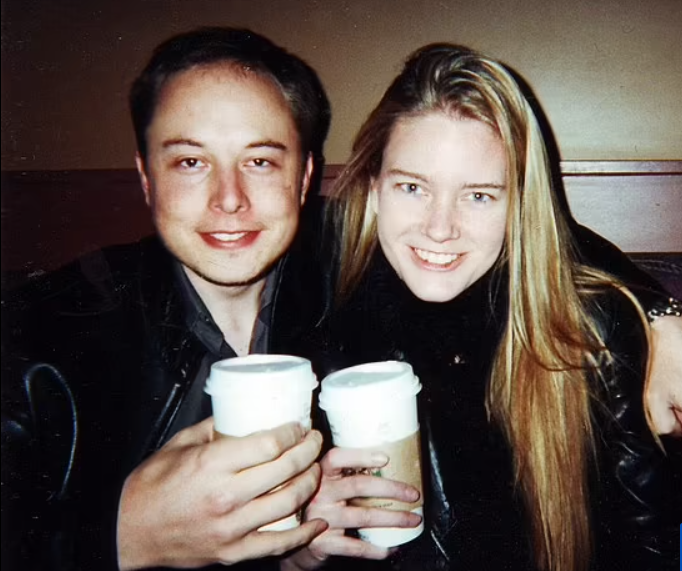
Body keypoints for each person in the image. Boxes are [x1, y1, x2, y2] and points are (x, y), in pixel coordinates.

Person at [0, 27, 419, 571]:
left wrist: (295, 551)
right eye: (191, 163)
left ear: (304, 178)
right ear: (146, 178)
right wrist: (122, 536)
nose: (229, 200)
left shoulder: (361, 293)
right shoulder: (36, 337)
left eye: (260, 162)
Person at [285, 44, 680, 571]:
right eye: (412, 187)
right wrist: (297, 552)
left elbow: (645, 546)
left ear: (517, 207)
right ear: (373, 187)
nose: (440, 228)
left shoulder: (590, 335)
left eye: (478, 196)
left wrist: (658, 316)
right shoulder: (311, 291)